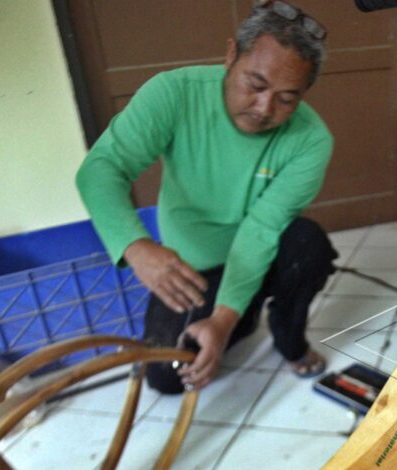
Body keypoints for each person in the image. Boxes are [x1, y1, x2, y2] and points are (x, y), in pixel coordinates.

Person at [76, 1, 336, 394]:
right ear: (231, 55)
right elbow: (101, 168)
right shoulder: (174, 94)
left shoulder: (311, 140)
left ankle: (288, 340)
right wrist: (136, 245)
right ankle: (242, 314)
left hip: (260, 253)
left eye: (286, 98)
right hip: (195, 265)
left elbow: (261, 230)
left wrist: (221, 321)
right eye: (256, 84)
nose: (264, 109)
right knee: (165, 378)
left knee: (308, 245)